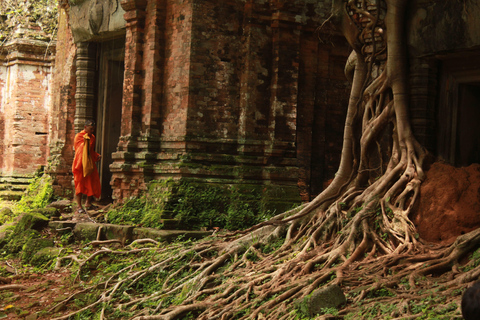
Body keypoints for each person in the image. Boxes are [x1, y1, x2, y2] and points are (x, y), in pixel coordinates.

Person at [72, 119, 101, 213]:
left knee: (92, 182)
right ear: (85, 127)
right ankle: (79, 206)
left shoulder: (92, 137)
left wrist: (96, 155)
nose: (92, 131)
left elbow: (90, 151)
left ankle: (88, 203)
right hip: (80, 163)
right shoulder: (79, 136)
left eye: (93, 129)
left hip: (89, 162)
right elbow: (80, 150)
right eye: (91, 129)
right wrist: (86, 141)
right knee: (79, 183)